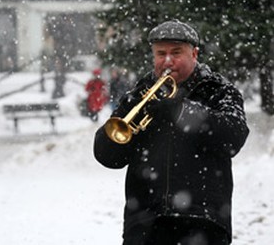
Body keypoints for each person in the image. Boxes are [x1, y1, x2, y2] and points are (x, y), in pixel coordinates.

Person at [94, 20, 249, 245]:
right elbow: (107, 156)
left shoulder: (219, 91)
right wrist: (129, 114)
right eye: (160, 53)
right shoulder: (139, 94)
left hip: (203, 220)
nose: (167, 60)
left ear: (194, 54)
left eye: (176, 52)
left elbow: (234, 137)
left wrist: (181, 110)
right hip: (146, 222)